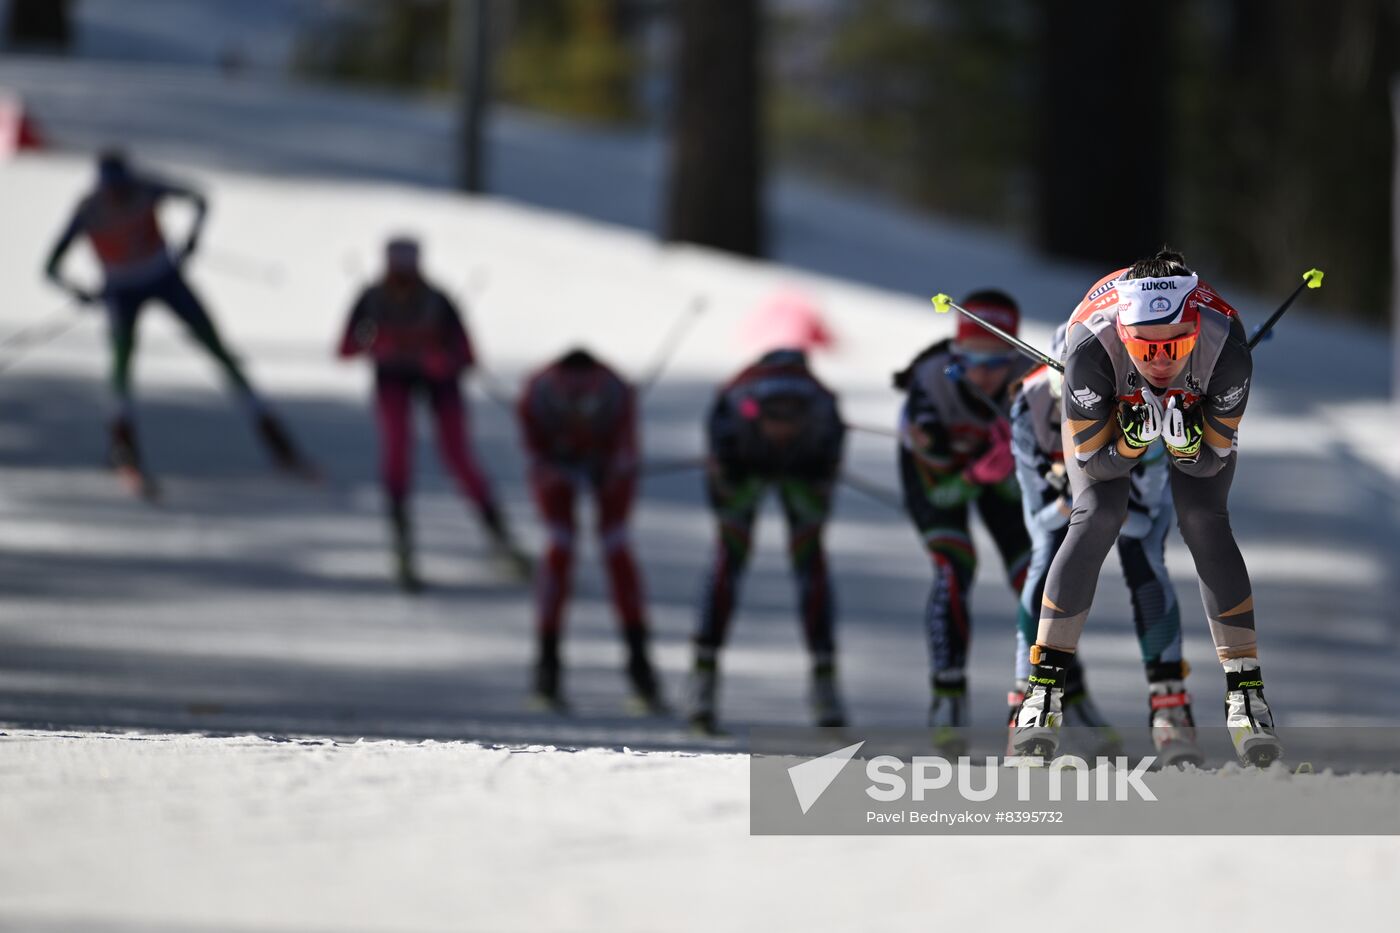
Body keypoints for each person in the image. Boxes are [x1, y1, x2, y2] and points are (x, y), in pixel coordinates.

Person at [1015, 248, 1280, 767]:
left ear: (1194, 325)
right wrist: (1130, 447)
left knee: (1205, 521)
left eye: (1175, 344)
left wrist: (1185, 448)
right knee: (1097, 517)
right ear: (1124, 332)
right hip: (1112, 396)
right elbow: (1094, 463)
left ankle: (1246, 694)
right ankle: (1042, 694)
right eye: (1146, 347)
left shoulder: (1226, 348)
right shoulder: (1090, 345)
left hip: (1197, 399)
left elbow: (1209, 466)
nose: (1161, 361)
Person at [43, 149, 312, 495]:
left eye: (122, 187)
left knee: (218, 349)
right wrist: (80, 292)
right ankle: (123, 448)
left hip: (163, 277)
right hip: (123, 290)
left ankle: (277, 441)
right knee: (122, 367)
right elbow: (50, 266)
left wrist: (191, 242)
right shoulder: (89, 210)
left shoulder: (145, 188)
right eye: (113, 189)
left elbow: (199, 200)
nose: (119, 195)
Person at [1010, 324, 1200, 765]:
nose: (1077, 420)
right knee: (1046, 559)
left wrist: (1091, 498)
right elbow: (1038, 522)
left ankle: (1170, 707)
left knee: (1144, 558)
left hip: (1130, 498)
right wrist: (1068, 503)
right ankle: (1027, 704)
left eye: (1092, 406)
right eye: (1069, 408)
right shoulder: (1028, 406)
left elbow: (1143, 523)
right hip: (1075, 499)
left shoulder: (1142, 402)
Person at [338, 236, 527, 591]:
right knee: (396, 453)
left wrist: (443, 360)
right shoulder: (371, 300)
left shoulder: (438, 301)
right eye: (397, 276)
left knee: (458, 457)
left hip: (440, 384)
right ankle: (402, 544)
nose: (402, 286)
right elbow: (348, 346)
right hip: (393, 381)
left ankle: (499, 537)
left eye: (407, 276)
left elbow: (467, 355)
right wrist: (380, 344)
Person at [893, 290, 1032, 742]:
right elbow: (943, 489)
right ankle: (947, 699)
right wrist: (977, 472)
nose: (985, 373)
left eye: (998, 362)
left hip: (995, 475)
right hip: (938, 478)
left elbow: (1043, 477)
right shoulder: (930, 383)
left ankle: (1067, 694)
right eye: (972, 358)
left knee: (1035, 577)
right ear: (956, 353)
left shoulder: (1030, 382)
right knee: (955, 568)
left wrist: (1010, 469)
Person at [687, 348, 847, 734]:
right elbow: (718, 463)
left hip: (796, 470)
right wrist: (731, 467)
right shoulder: (736, 409)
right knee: (737, 561)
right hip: (747, 468)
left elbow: (830, 464)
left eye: (791, 421)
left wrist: (814, 473)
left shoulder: (822, 412)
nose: (783, 429)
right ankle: (705, 686)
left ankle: (704, 690)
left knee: (797, 566)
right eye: (776, 420)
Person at [517, 348, 664, 714]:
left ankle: (641, 672)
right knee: (559, 547)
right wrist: (556, 465)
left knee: (616, 547)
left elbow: (627, 449)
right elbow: (534, 453)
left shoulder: (616, 391)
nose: (580, 410)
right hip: (557, 471)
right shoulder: (537, 392)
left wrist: (611, 466)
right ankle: (546, 672)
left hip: (606, 469)